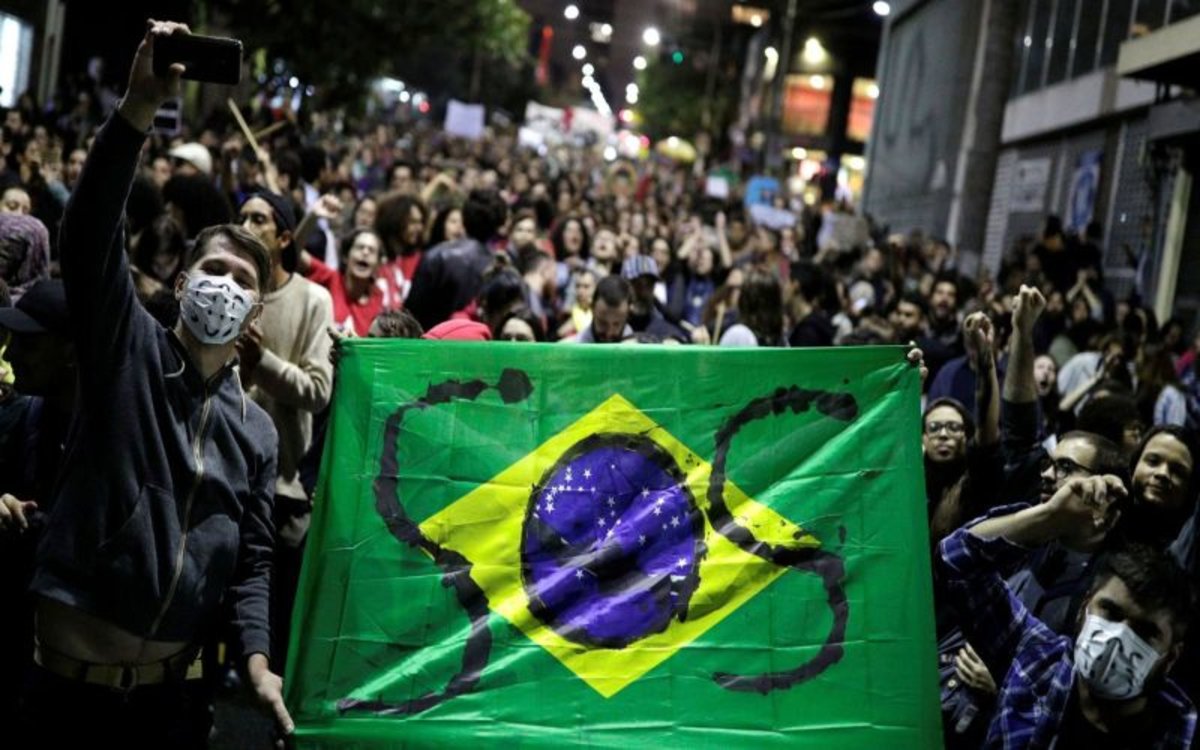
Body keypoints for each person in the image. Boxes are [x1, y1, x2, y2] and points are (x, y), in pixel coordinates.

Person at [14, 21, 291, 744]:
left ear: (255, 311)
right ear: (181, 280)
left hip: (171, 707)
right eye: (215, 272)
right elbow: (85, 236)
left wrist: (258, 660)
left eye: (243, 281)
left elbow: (255, 560)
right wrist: (137, 108)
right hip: (66, 696)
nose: (226, 288)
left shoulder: (256, 431)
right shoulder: (124, 349)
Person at [938, 476, 1196, 748]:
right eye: (1110, 612)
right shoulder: (1036, 662)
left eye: (1145, 631)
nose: (1119, 637)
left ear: (1170, 658)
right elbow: (956, 560)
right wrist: (1049, 519)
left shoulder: (1180, 736)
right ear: (1083, 609)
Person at [236, 191, 335, 665]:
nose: (246, 226)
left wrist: (262, 362)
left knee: (274, 620)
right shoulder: (229, 293)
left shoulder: (313, 300)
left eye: (258, 219)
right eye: (241, 218)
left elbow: (317, 390)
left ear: (284, 237)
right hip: (228, 474)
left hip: (283, 488)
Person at [405, 188, 508, 331]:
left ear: (464, 219)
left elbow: (410, 315)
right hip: (481, 347)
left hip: (434, 345)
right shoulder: (502, 267)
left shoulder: (436, 255)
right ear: (499, 225)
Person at [300, 228, 386, 336]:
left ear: (378, 264)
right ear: (346, 256)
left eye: (372, 250)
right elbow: (294, 251)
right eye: (360, 247)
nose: (365, 252)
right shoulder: (330, 278)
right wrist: (313, 216)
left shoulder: (379, 299)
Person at [572, 274, 633, 343]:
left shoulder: (638, 350)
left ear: (628, 315)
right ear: (592, 309)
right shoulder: (571, 350)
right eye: (602, 323)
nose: (609, 333)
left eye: (617, 324)